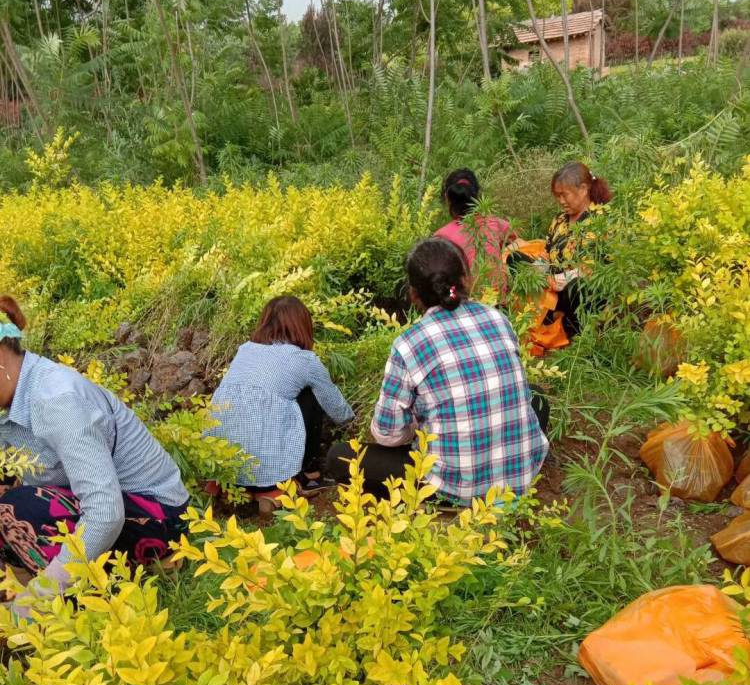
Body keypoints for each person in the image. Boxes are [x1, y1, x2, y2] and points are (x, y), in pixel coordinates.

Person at [326, 238, 548, 504]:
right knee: (537, 397)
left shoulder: (409, 344)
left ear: (413, 294)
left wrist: (419, 427)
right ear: (466, 279)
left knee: (339, 457)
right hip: (519, 476)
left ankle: (432, 504)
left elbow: (387, 434)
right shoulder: (498, 319)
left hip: (455, 489)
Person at [0, 296, 189, 599]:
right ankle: (31, 581)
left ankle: (78, 600)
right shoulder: (10, 400)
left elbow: (105, 511)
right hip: (101, 501)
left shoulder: (56, 399)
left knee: (15, 508)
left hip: (157, 517)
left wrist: (37, 597)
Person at [206, 296, 353, 498]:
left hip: (219, 462)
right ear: (302, 326)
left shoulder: (245, 350)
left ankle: (218, 487)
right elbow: (336, 408)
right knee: (310, 396)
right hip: (268, 469)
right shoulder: (305, 360)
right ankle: (310, 473)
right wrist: (352, 422)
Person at [544, 161, 611, 337]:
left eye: (564, 195)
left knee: (577, 287)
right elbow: (547, 251)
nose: (561, 201)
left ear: (583, 189)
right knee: (516, 259)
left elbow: (594, 267)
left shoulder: (600, 220)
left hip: (582, 290)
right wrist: (538, 272)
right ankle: (552, 316)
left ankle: (576, 329)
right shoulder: (559, 220)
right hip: (553, 285)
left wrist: (563, 279)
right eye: (557, 196)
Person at [433, 169, 515, 288]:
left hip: (466, 301)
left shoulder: (441, 237)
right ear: (477, 196)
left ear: (447, 198)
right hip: (498, 299)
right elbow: (515, 241)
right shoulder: (494, 223)